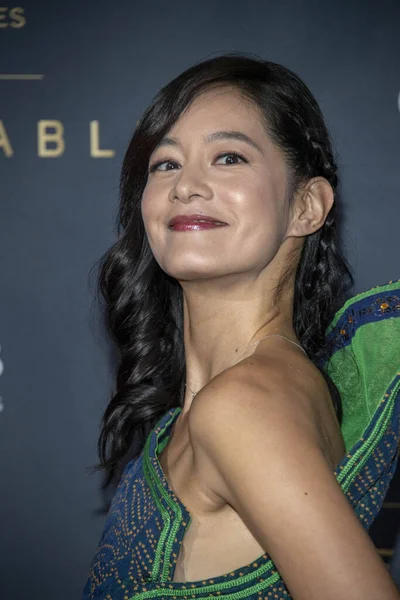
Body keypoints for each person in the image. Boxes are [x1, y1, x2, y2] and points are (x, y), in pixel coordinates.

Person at [82, 53, 400, 599]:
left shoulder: (242, 405)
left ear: (307, 206)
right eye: (165, 164)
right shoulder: (237, 397)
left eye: (228, 157)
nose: (186, 186)